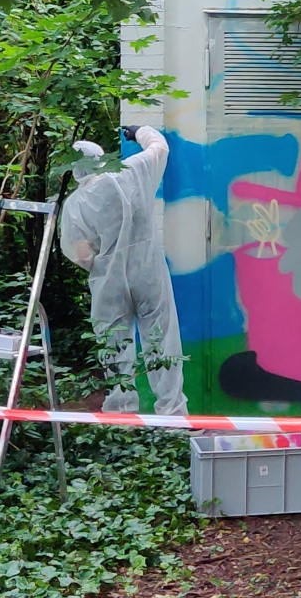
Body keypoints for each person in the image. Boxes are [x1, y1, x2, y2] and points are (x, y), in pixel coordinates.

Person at [60, 126, 187, 416]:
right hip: (148, 272)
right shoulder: (131, 172)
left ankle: (121, 411)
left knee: (115, 343)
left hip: (109, 282)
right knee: (161, 337)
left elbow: (79, 253)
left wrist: (103, 263)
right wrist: (139, 131)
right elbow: (159, 148)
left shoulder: (74, 206)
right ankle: (171, 411)